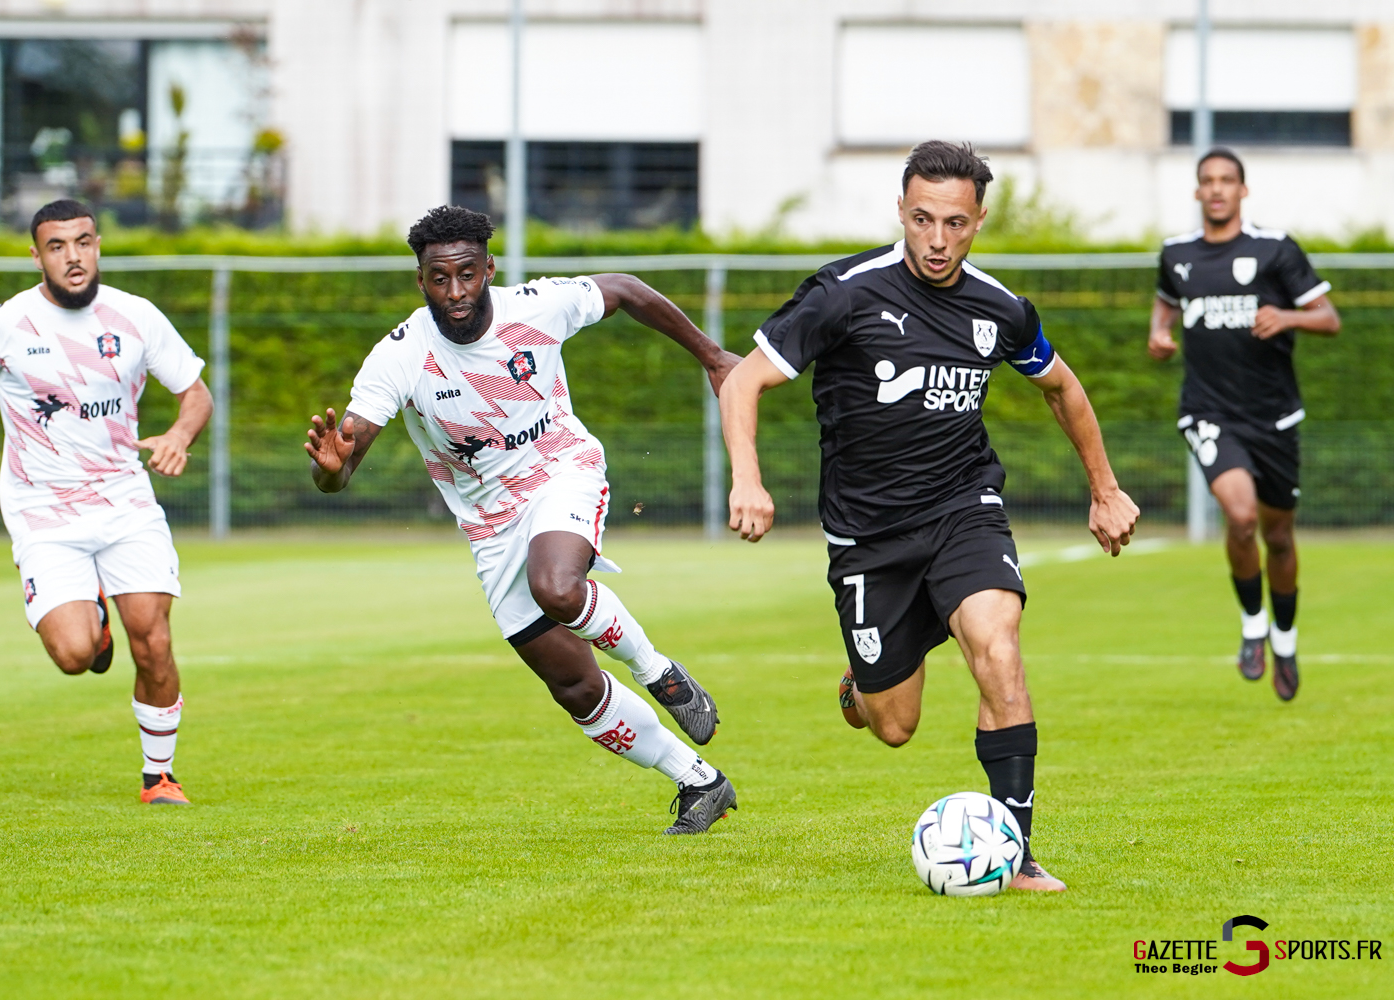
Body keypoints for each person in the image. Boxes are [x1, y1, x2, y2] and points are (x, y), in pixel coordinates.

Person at [719, 141, 1139, 890]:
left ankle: (1017, 854)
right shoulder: (844, 293)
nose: (937, 240)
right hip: (868, 539)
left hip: (962, 508)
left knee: (999, 648)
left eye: (954, 222)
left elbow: (1063, 388)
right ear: (901, 213)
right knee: (893, 725)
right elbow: (741, 382)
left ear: (978, 222)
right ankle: (862, 680)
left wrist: (1105, 489)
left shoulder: (1000, 308)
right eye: (921, 219)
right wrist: (746, 480)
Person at [305, 205, 741, 834]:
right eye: (438, 279)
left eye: (467, 274)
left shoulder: (536, 307)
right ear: (420, 282)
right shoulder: (398, 357)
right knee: (575, 689)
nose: (455, 293)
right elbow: (340, 473)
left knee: (558, 588)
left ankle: (660, 674)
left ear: (489, 269)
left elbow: (624, 291)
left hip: (562, 469)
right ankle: (700, 781)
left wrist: (711, 357)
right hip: (489, 526)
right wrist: (328, 468)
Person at [0, 199, 212, 806]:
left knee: (155, 639)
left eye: (82, 242)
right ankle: (94, 621)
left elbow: (195, 393)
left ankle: (158, 776)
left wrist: (178, 436)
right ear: (36, 256)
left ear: (98, 245)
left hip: (124, 500)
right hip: (42, 511)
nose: (73, 256)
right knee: (73, 654)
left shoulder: (136, 317)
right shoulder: (5, 325)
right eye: (56, 246)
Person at [1150, 147, 1340, 702]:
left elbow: (1329, 318)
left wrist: (1289, 315)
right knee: (1239, 517)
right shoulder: (1176, 254)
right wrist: (1159, 335)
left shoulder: (1274, 249)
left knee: (1278, 535)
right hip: (1209, 413)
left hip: (1274, 417)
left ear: (1242, 190)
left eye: (1226, 180)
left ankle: (1285, 636)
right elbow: (1164, 307)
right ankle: (1253, 628)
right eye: (1206, 180)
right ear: (1196, 191)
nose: (1216, 189)